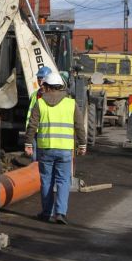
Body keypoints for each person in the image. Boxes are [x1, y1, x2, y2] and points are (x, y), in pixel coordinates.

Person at [24, 72, 87, 225]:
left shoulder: (40, 103)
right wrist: (82, 144)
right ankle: (60, 213)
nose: (42, 88)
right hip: (65, 150)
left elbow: (32, 125)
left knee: (46, 181)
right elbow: (79, 126)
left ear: (47, 87)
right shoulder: (71, 104)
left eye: (43, 85)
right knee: (63, 181)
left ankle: (46, 213)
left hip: (46, 148)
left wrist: (27, 144)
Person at [26, 66, 53, 161]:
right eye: (39, 79)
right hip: (34, 131)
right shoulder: (34, 95)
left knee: (44, 158)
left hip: (46, 131)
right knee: (35, 159)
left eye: (42, 79)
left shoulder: (53, 97)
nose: (40, 82)